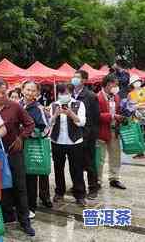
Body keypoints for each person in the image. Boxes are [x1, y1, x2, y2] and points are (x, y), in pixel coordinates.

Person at [0, 78, 35, 236]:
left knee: (20, 186)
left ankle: (25, 221)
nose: (1, 96)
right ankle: (3, 218)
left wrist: (21, 138)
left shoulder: (15, 106)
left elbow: (30, 123)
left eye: (4, 92)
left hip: (14, 152)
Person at [49, 84, 87, 207]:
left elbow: (81, 122)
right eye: (61, 93)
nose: (63, 96)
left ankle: (80, 195)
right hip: (57, 141)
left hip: (74, 142)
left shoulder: (79, 104)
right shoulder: (54, 105)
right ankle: (59, 192)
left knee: (76, 169)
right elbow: (49, 123)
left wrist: (70, 113)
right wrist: (55, 114)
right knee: (58, 168)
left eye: (65, 93)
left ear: (70, 93)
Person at [20, 81, 52, 218]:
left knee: (31, 178)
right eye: (27, 89)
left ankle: (31, 207)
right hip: (17, 147)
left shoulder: (38, 108)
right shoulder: (16, 105)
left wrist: (28, 133)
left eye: (33, 90)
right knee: (19, 177)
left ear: (37, 93)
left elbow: (45, 129)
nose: (30, 92)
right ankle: (20, 205)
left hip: (31, 147)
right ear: (22, 90)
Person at [71, 70, 101, 199]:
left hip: (87, 135)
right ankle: (78, 186)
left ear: (84, 80)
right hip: (73, 135)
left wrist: (90, 135)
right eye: (74, 77)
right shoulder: (69, 94)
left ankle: (93, 187)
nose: (74, 79)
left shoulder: (91, 96)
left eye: (77, 77)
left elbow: (95, 118)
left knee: (89, 163)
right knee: (75, 163)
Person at [97, 74, 126, 190]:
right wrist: (113, 116)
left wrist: (124, 115)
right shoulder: (97, 97)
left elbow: (119, 110)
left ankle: (114, 178)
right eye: (115, 84)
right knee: (100, 158)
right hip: (102, 131)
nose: (117, 87)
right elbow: (96, 115)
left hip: (114, 130)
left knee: (115, 156)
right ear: (108, 84)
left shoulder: (116, 97)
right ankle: (97, 180)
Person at [123, 75, 145, 159]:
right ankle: (140, 152)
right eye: (135, 82)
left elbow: (134, 106)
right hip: (136, 117)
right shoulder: (130, 94)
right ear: (132, 84)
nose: (137, 83)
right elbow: (130, 107)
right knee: (138, 134)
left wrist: (138, 106)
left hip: (142, 116)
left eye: (138, 81)